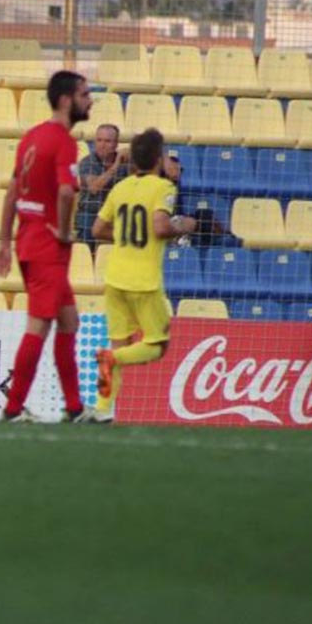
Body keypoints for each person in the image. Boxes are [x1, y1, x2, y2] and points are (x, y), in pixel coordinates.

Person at [0, 70, 94, 423]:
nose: (90, 100)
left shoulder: (32, 137)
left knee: (70, 321)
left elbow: (10, 193)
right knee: (39, 326)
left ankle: (75, 407)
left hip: (28, 240)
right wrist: (65, 232)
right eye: (85, 94)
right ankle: (13, 408)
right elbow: (66, 191)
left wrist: (5, 241)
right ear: (67, 100)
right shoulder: (64, 141)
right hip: (48, 247)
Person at [90, 129, 197, 423]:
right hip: (144, 281)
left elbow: (97, 230)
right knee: (157, 346)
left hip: (114, 278)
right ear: (156, 159)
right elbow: (161, 227)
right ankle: (111, 360)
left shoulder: (121, 188)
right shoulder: (162, 188)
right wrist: (183, 226)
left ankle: (102, 409)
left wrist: (125, 236)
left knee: (118, 345)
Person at [76, 124, 129, 244]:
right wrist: (115, 166)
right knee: (87, 222)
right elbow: (94, 187)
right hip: (91, 213)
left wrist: (132, 152)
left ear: (116, 144)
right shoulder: (87, 162)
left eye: (107, 141)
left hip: (116, 215)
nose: (102, 145)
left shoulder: (126, 162)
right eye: (99, 140)